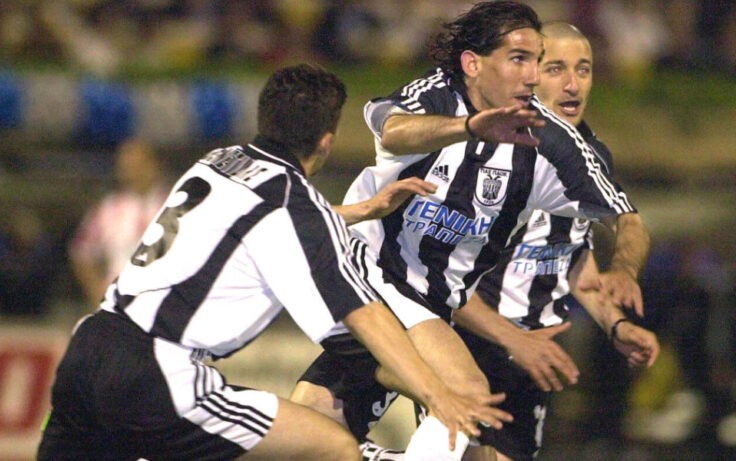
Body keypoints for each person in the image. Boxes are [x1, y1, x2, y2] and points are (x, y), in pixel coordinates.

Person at [37, 64, 512, 461]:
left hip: (90, 347)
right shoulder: (295, 204)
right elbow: (364, 314)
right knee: (332, 448)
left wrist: (356, 211)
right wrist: (438, 394)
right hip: (159, 373)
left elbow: (255, 219)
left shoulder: (220, 159)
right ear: (326, 141)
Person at [291, 3, 651, 460]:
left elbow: (627, 218)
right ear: (473, 64)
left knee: (314, 432)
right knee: (466, 393)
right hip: (369, 272)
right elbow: (393, 130)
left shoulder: (554, 143)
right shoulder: (438, 95)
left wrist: (623, 270)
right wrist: (467, 128)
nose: (533, 76)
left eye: (537, 61)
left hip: (433, 304)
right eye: (520, 59)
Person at [445, 22, 660, 460]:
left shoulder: (590, 157)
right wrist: (510, 339)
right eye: (556, 68)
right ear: (528, 76)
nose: (572, 84)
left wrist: (616, 321)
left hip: (535, 357)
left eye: (584, 69)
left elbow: (576, 252)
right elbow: (437, 277)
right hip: (469, 344)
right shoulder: (490, 152)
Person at [68, 137, 169, 308]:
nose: (134, 172)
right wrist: (97, 293)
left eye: (139, 165)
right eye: (128, 167)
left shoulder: (175, 204)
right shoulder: (108, 209)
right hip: (120, 304)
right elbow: (81, 253)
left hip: (166, 302)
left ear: (155, 164)